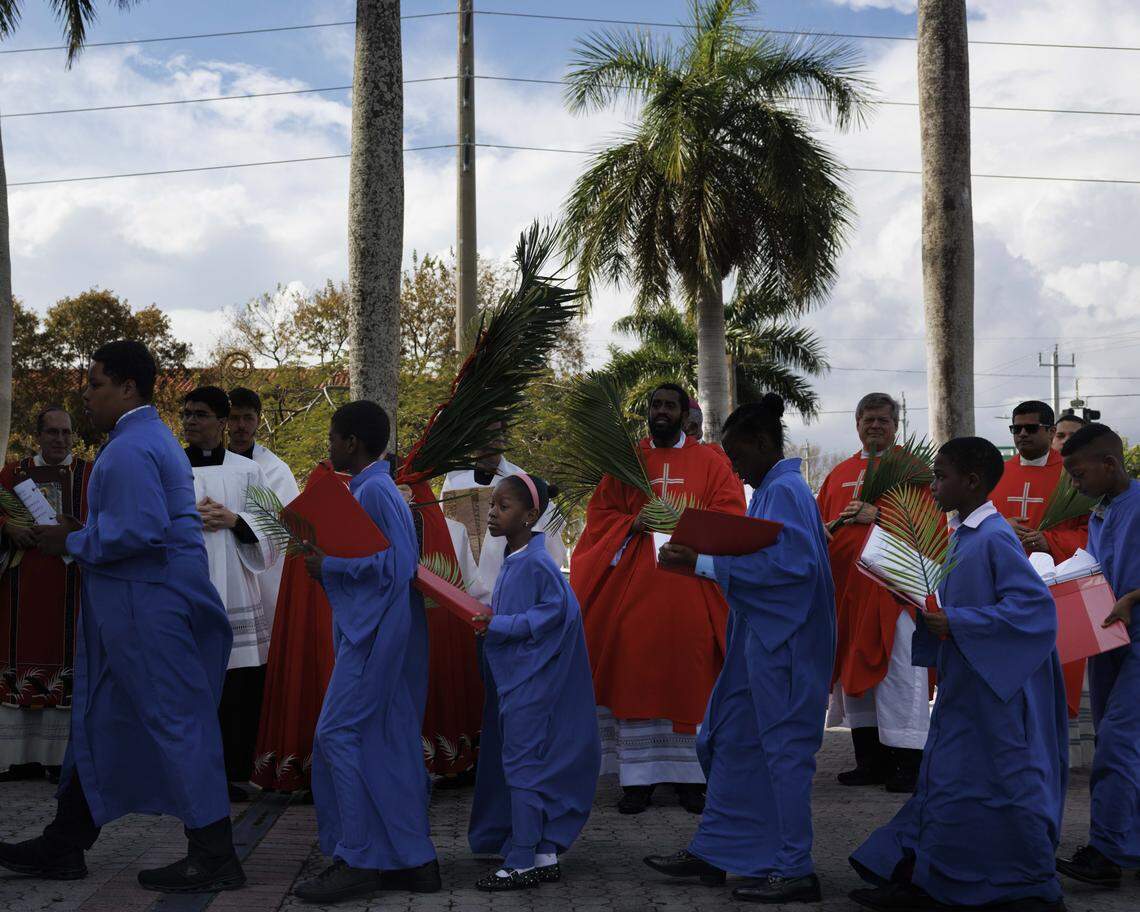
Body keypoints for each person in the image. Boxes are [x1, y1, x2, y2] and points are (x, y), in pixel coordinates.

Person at [0, 341, 243, 893]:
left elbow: (141, 530)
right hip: (135, 603)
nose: (87, 396)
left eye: (95, 384)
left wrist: (73, 537)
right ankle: (65, 842)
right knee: (99, 719)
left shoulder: (132, 447)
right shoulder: (143, 439)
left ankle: (215, 854)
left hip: (147, 603)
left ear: (128, 387)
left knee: (178, 723)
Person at [849, 437, 1068, 912]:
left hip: (993, 698)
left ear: (971, 482)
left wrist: (958, 622)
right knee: (948, 786)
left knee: (994, 791)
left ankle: (1026, 885)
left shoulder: (993, 537)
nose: (932, 485)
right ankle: (923, 877)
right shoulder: (965, 534)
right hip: (967, 687)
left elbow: (1034, 612)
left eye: (941, 476)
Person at [649, 394, 835, 905]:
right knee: (727, 740)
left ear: (761, 443)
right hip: (759, 643)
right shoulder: (773, 490)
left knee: (782, 757)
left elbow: (793, 571)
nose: (734, 466)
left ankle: (796, 868)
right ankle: (721, 851)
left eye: (737, 454)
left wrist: (703, 564)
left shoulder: (787, 491)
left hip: (786, 649)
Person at [570, 384, 746, 815]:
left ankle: (692, 779)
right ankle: (638, 780)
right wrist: (633, 522)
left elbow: (730, 513)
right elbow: (600, 517)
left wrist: (686, 524)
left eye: (669, 405)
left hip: (690, 583)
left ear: (684, 412)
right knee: (633, 666)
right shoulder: (627, 461)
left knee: (695, 669)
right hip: (636, 586)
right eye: (655, 405)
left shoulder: (710, 461)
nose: (661, 412)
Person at [292, 401, 439, 904]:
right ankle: (413, 860)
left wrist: (328, 566)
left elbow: (396, 567)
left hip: (376, 635)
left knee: (337, 735)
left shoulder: (374, 490)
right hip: (382, 630)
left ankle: (357, 859)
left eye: (333, 438)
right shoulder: (375, 488)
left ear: (351, 442)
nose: (329, 447)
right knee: (387, 743)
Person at [468, 473, 600, 891]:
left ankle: (522, 859)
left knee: (523, 767)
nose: (492, 512)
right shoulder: (518, 557)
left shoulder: (539, 563)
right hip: (520, 679)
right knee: (528, 766)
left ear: (530, 515)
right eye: (492, 504)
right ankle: (542, 851)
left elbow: (551, 615)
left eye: (503, 506)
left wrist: (499, 625)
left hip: (532, 682)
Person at [817, 393, 930, 792]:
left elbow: (928, 523)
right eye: (868, 419)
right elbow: (821, 519)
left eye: (884, 420)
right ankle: (869, 761)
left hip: (893, 592)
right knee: (855, 677)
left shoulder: (912, 469)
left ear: (896, 425)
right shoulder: (840, 472)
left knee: (900, 674)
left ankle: (908, 764)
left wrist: (878, 514)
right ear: (857, 423)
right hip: (848, 591)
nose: (876, 426)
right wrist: (825, 528)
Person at [182, 386, 277, 802]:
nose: (191, 421)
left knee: (237, 685)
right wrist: (187, 519)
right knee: (188, 683)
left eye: (200, 414)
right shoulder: (170, 470)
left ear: (221, 423)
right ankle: (186, 772)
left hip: (237, 586)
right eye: (186, 414)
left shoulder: (248, 471)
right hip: (187, 588)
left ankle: (230, 772)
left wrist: (235, 519)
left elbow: (273, 528)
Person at [1055, 424, 1140, 888]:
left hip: (1134, 639)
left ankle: (1105, 853)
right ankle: (1128, 845)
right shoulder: (1102, 511)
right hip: (1110, 642)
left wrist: (1133, 597)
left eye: (1077, 472)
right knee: (1121, 745)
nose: (1073, 484)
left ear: (1108, 464)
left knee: (1118, 747)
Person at [0, 407, 92, 783]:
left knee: (65, 659)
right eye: (52, 432)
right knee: (16, 657)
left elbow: (102, 520)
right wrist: (7, 528)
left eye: (66, 433)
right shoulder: (14, 474)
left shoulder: (88, 476)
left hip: (70, 585)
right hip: (20, 586)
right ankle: (17, 758)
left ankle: (58, 759)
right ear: (38, 435)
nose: (60, 440)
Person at [440, 423, 566, 600]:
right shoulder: (454, 481)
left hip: (511, 596)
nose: (489, 441)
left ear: (505, 436)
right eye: (482, 434)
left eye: (495, 434)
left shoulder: (522, 483)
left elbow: (552, 544)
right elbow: (444, 534)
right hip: (460, 596)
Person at [227, 386, 301, 633]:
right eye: (234, 418)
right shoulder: (212, 466)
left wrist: (238, 523)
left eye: (248, 418)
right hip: (224, 561)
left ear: (259, 419)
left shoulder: (276, 470)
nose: (241, 425)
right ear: (224, 421)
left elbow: (287, 526)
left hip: (264, 569)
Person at [992, 401, 1088, 561]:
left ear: (1051, 432)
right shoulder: (995, 474)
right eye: (1016, 429)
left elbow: (1093, 531)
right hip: (1003, 568)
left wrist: (1050, 541)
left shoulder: (1074, 474)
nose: (1022, 433)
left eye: (1031, 428)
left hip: (1056, 574)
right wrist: (1000, 525)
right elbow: (975, 522)